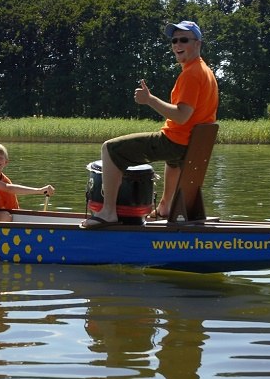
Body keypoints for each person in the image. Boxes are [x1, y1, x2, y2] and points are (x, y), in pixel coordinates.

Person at [80, 20, 219, 228]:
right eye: (174, 40)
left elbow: (182, 116)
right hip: (189, 146)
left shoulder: (191, 74)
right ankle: (165, 207)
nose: (177, 44)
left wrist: (149, 99)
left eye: (184, 40)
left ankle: (108, 212)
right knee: (172, 163)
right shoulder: (205, 71)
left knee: (110, 149)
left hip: (176, 142)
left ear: (198, 44)